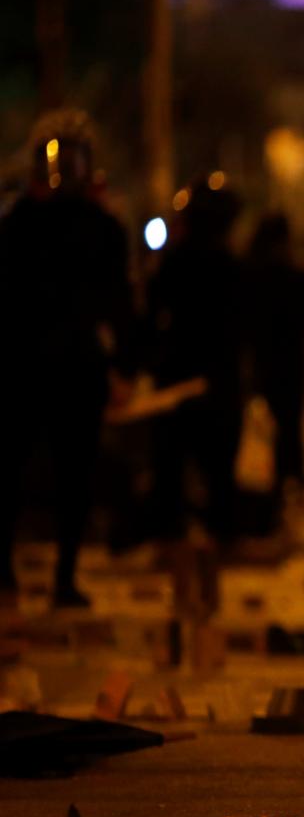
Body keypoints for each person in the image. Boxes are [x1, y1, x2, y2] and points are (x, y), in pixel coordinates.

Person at [0, 109, 134, 609]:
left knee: (60, 477)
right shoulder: (85, 226)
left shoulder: (26, 223)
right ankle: (52, 578)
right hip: (48, 368)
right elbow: (120, 306)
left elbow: (118, 304)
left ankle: (43, 577)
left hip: (45, 369)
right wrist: (126, 363)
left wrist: (124, 365)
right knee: (61, 478)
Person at [145, 179, 246, 546]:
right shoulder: (231, 265)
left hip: (179, 377)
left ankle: (171, 538)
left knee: (171, 466)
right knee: (218, 468)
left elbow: (152, 316)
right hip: (216, 379)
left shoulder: (173, 263)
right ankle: (219, 537)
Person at [244, 213, 304, 505]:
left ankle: (285, 482)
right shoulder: (296, 277)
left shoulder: (256, 276)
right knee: (289, 424)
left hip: (272, 362)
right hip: (289, 362)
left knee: (285, 424)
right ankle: (290, 481)